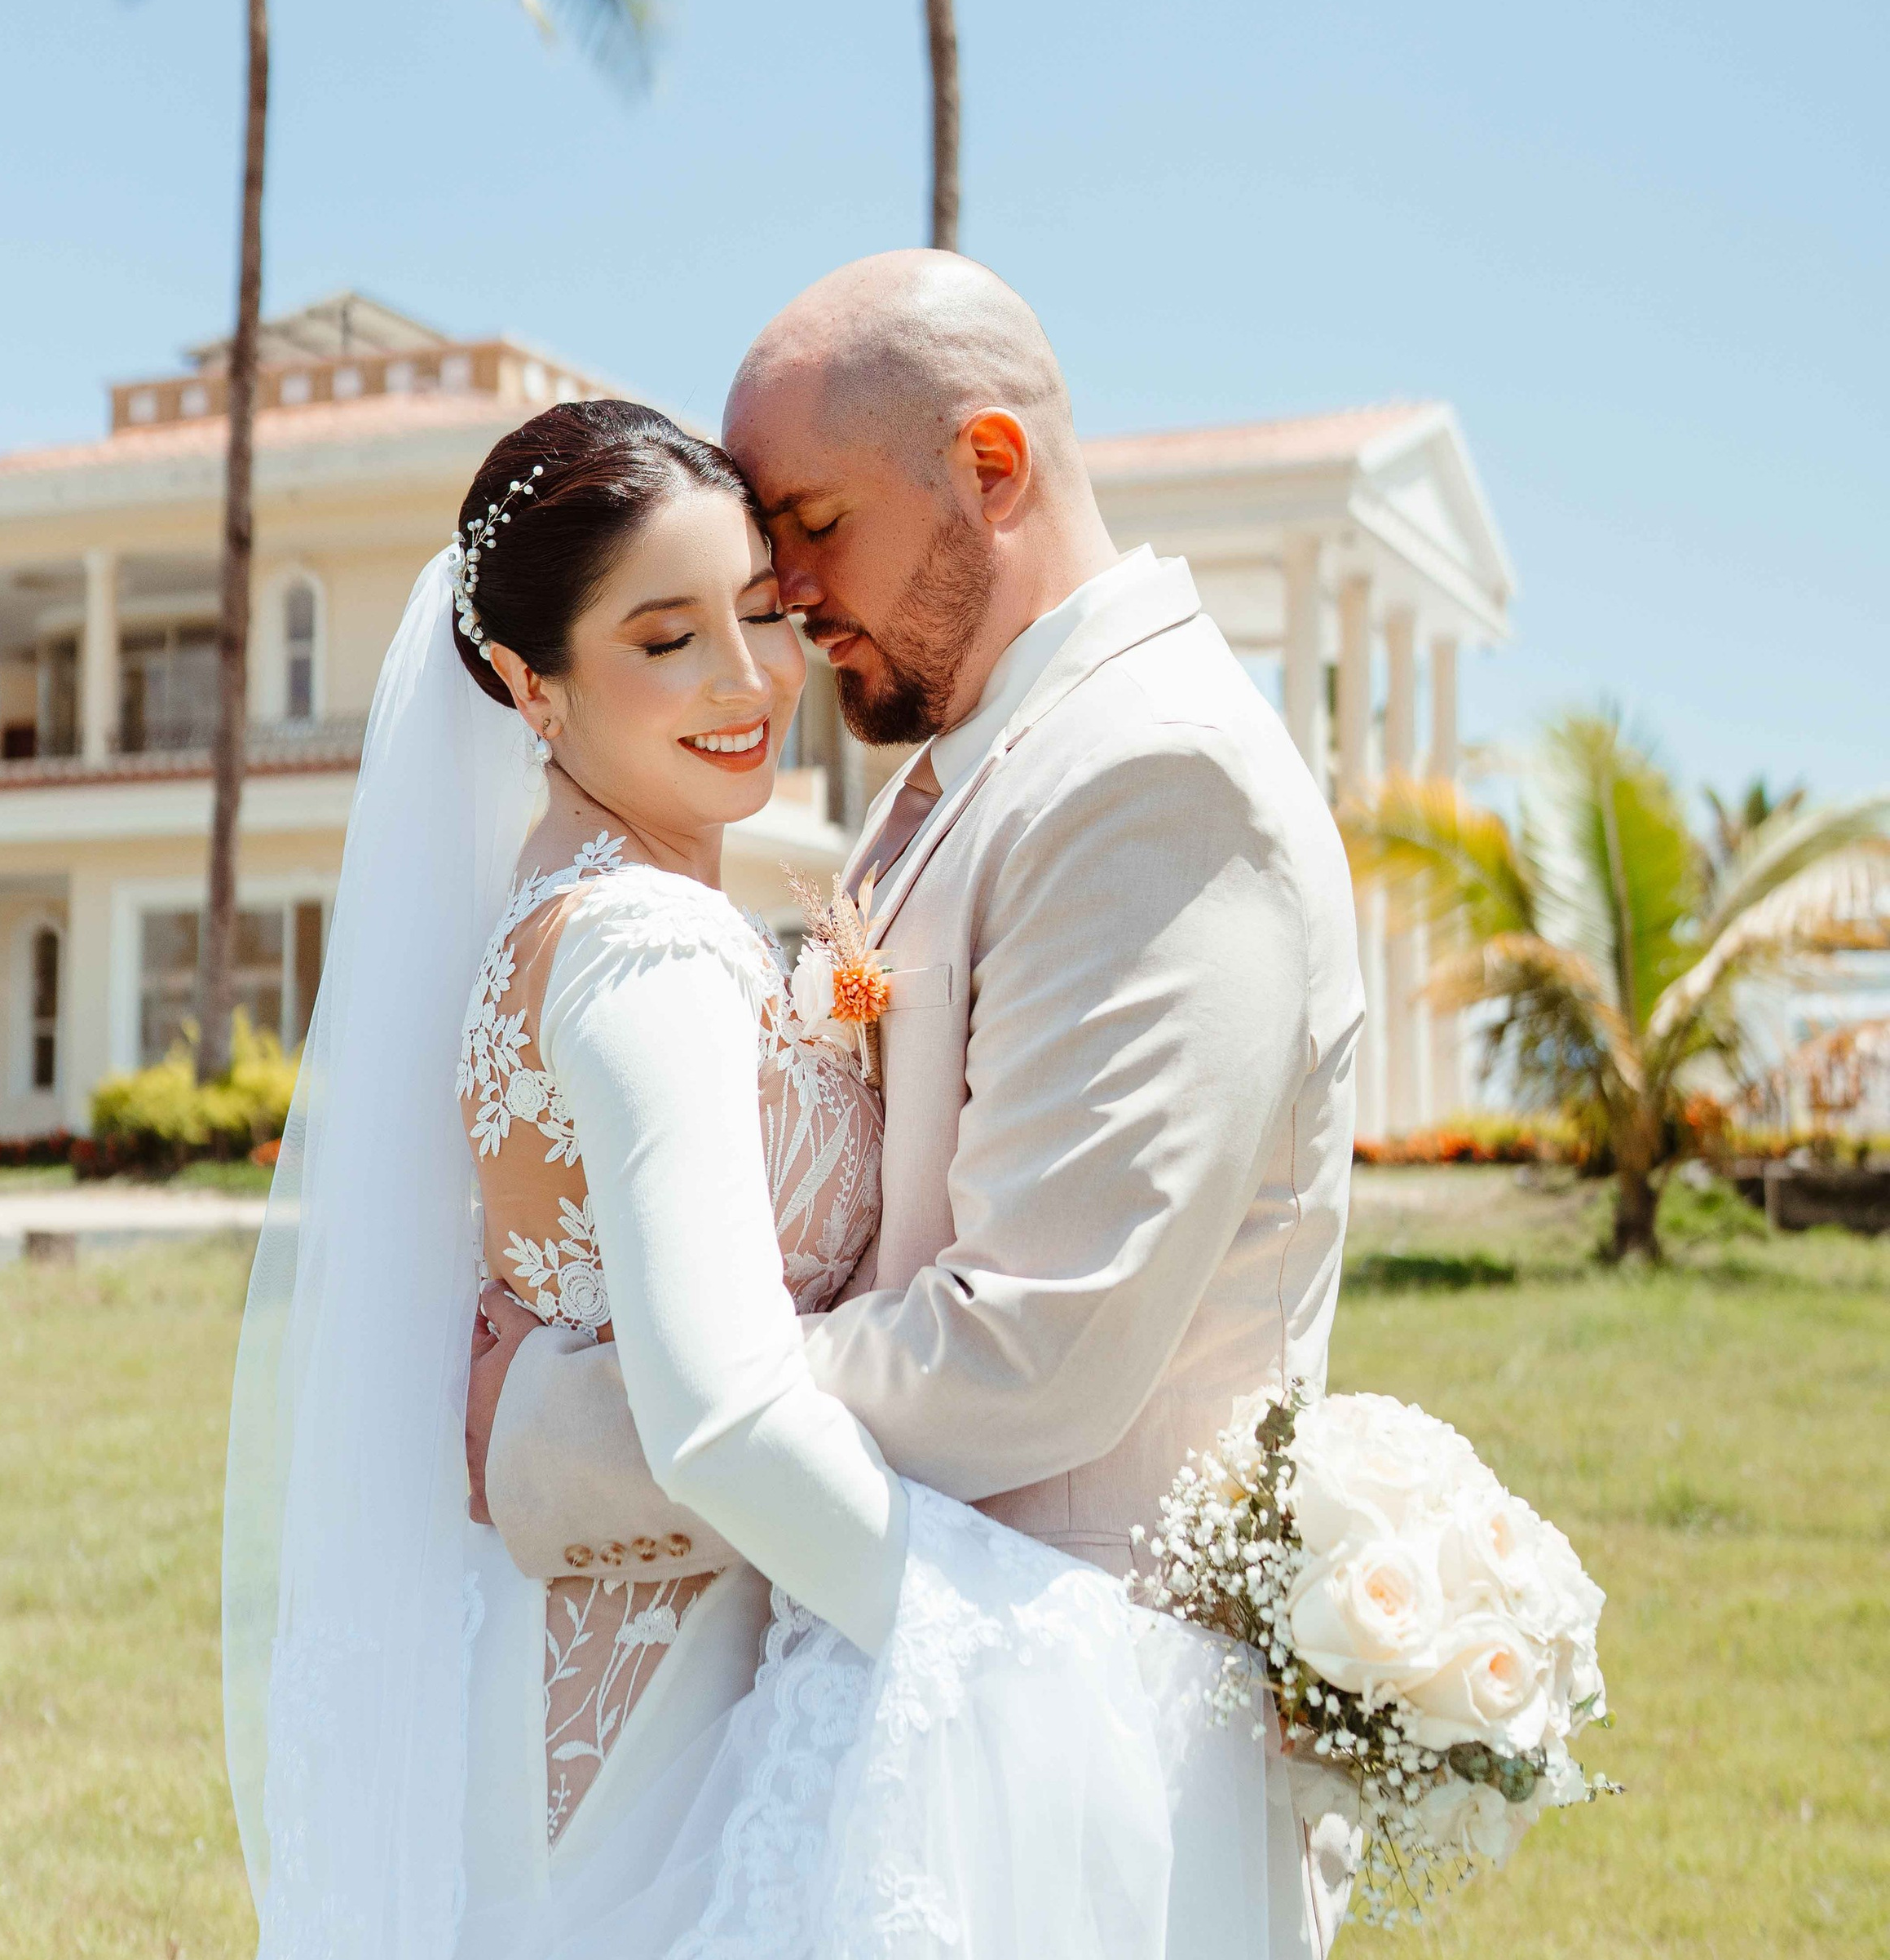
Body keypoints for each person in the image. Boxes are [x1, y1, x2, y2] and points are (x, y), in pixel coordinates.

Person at [226, 387, 1272, 1959]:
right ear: (530, 684)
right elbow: (715, 1414)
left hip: (632, 1659)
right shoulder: (647, 948)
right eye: (665, 639)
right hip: (647, 1739)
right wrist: (998, 1638)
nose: (750, 681)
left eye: (767, 614)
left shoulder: (585, 907)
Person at [471, 252, 1365, 1956]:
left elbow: (1027, 1344)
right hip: (889, 1723)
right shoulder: (958, 767)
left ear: (992, 467)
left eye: (805, 522)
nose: (782, 597)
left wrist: (563, 1427)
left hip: (1076, 1762)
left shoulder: (1150, 777)